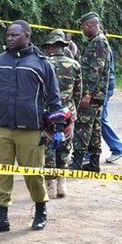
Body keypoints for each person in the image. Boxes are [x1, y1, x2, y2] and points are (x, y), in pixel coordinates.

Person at [0, 20, 64, 233]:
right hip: (3, 127)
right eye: (8, 35)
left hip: (31, 129)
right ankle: (1, 218)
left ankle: (40, 211)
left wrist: (58, 128)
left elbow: (54, 98)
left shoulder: (42, 64)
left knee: (34, 174)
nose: (9, 38)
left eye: (15, 35)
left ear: (27, 36)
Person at [40, 29, 81, 199]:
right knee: (65, 148)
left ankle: (49, 185)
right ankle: (62, 184)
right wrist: (72, 109)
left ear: (49, 47)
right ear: (62, 46)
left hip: (48, 113)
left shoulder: (43, 64)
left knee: (48, 150)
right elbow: (78, 93)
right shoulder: (75, 65)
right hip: (68, 113)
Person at [69, 12, 111, 172]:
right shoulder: (97, 41)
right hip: (96, 95)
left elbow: (95, 70)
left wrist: (87, 94)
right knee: (94, 128)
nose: (82, 31)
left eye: (82, 28)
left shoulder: (99, 42)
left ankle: (77, 162)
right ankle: (93, 163)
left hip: (91, 95)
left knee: (82, 127)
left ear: (89, 25)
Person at [99, 29, 122, 163]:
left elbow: (102, 73)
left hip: (104, 89)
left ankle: (118, 148)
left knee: (100, 119)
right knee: (96, 120)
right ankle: (88, 152)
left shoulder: (103, 48)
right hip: (105, 87)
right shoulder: (102, 47)